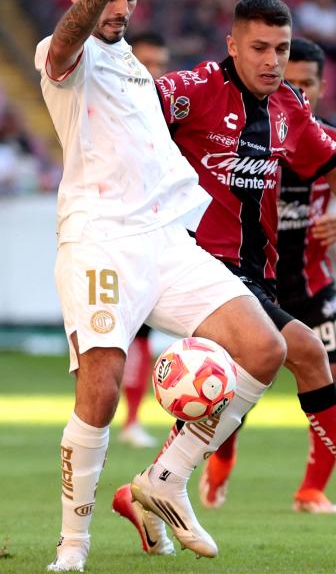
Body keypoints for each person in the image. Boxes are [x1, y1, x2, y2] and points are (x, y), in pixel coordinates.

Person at [112, 0, 336, 559]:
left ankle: (151, 488)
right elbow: (128, 110)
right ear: (232, 45)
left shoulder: (289, 106)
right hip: (197, 266)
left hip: (252, 272)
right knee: (304, 353)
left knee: (262, 374)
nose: (271, 60)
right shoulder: (193, 91)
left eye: (281, 49)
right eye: (259, 47)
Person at [35, 0, 292, 570]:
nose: (123, 7)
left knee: (264, 348)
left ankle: (164, 481)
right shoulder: (61, 52)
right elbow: (69, 40)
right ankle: (73, 548)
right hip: (99, 240)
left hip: (165, 241)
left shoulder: (127, 62)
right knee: (100, 392)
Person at [198, 37, 336, 514]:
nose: (297, 92)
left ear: (321, 85)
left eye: (306, 84)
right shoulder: (252, 136)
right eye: (288, 82)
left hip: (313, 281)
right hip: (258, 281)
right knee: (240, 386)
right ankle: (223, 455)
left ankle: (312, 489)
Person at [119, 31, 170, 449]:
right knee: (111, 337)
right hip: (109, 237)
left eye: (160, 64)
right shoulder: (110, 107)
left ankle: (131, 418)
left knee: (140, 334)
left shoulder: (169, 114)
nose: (153, 73)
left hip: (153, 238)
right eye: (145, 63)